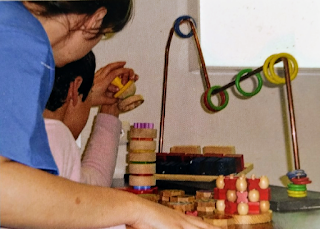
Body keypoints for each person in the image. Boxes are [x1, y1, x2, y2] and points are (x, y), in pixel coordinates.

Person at [0, 1, 219, 229]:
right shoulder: (22, 39)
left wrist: (92, 97)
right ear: (96, 20)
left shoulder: (12, 24)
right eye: (103, 34)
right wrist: (135, 209)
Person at [44, 50, 124, 187]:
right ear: (75, 87)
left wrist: (108, 108)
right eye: (90, 92)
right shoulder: (56, 137)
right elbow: (90, 192)